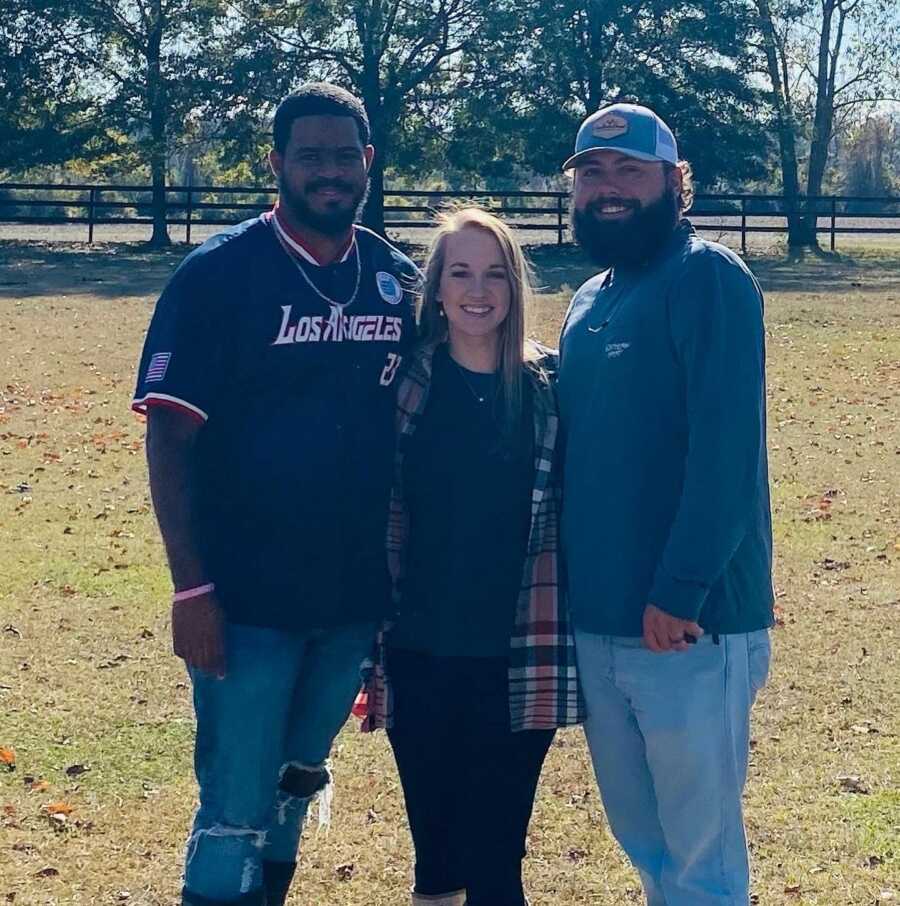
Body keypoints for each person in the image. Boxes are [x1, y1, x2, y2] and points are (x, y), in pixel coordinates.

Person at [131, 82, 417, 906]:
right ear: (277, 165)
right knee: (235, 801)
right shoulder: (219, 276)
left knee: (298, 779)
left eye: (342, 156)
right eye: (309, 156)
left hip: (351, 598)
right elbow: (170, 438)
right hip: (245, 599)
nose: (328, 172)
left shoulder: (394, 278)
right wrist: (192, 589)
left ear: (367, 162)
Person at [557, 103, 774, 906]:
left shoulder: (707, 277)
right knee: (644, 839)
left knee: (701, 853)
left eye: (630, 171)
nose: (608, 189)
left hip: (689, 624)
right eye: (592, 174)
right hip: (601, 617)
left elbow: (727, 455)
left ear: (674, 182)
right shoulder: (589, 300)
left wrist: (679, 591)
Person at [358, 207, 583, 906]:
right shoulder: (404, 385)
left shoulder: (551, 387)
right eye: (460, 272)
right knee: (436, 861)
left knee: (495, 860)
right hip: (419, 653)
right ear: (437, 285)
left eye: (494, 274)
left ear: (515, 286)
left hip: (518, 657)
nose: (477, 290)